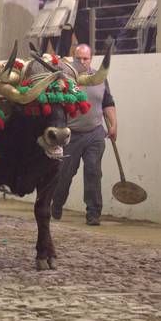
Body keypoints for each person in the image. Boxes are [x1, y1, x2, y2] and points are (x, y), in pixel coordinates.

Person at [52, 44, 116, 226]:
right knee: (65, 174)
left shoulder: (100, 78)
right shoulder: (64, 79)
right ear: (73, 58)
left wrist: (113, 126)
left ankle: (93, 213)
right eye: (78, 58)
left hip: (95, 132)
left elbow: (108, 102)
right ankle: (56, 204)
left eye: (85, 58)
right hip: (71, 135)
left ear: (91, 58)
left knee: (93, 172)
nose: (82, 62)